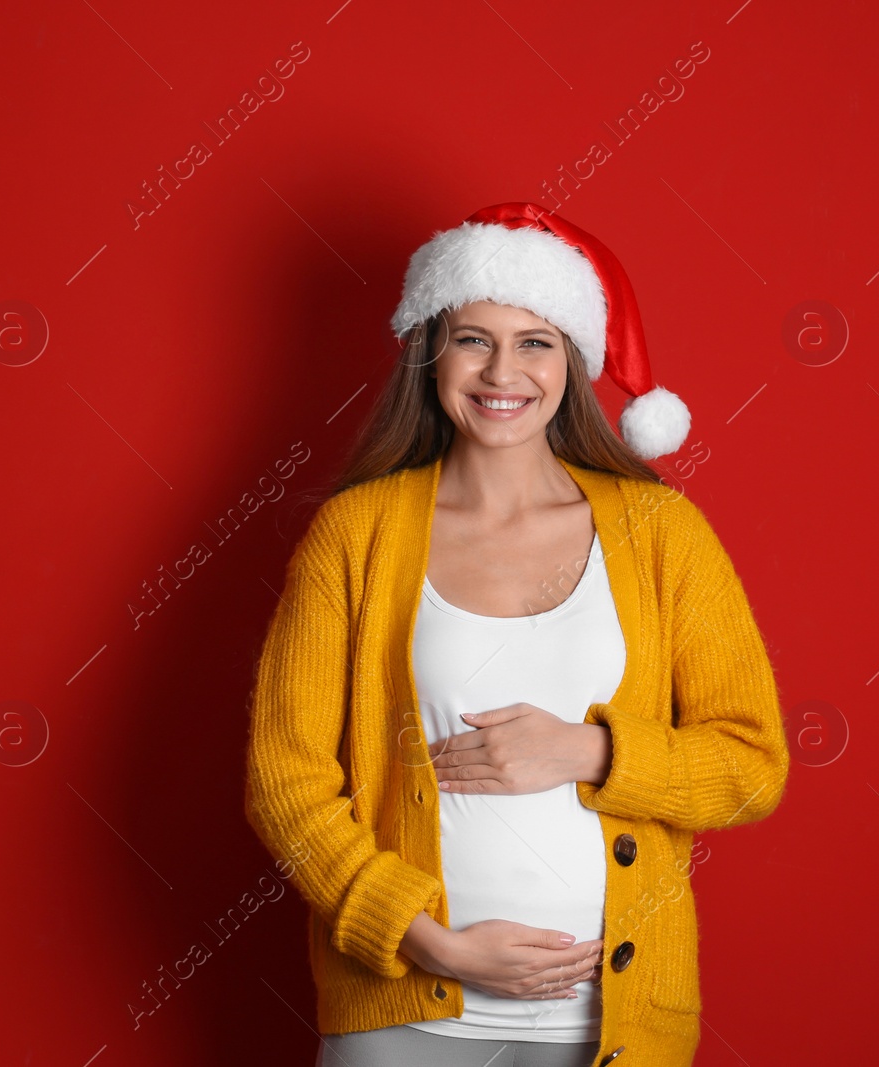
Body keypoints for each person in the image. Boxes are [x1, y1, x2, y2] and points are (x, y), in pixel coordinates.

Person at [243, 203, 790, 1067]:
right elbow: (286, 777)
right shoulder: (357, 533)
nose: (504, 370)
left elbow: (752, 765)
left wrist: (589, 751)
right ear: (432, 353)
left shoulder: (660, 533)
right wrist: (423, 938)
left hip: (607, 1021)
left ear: (573, 361)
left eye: (535, 341)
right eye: (474, 339)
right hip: (404, 1018)